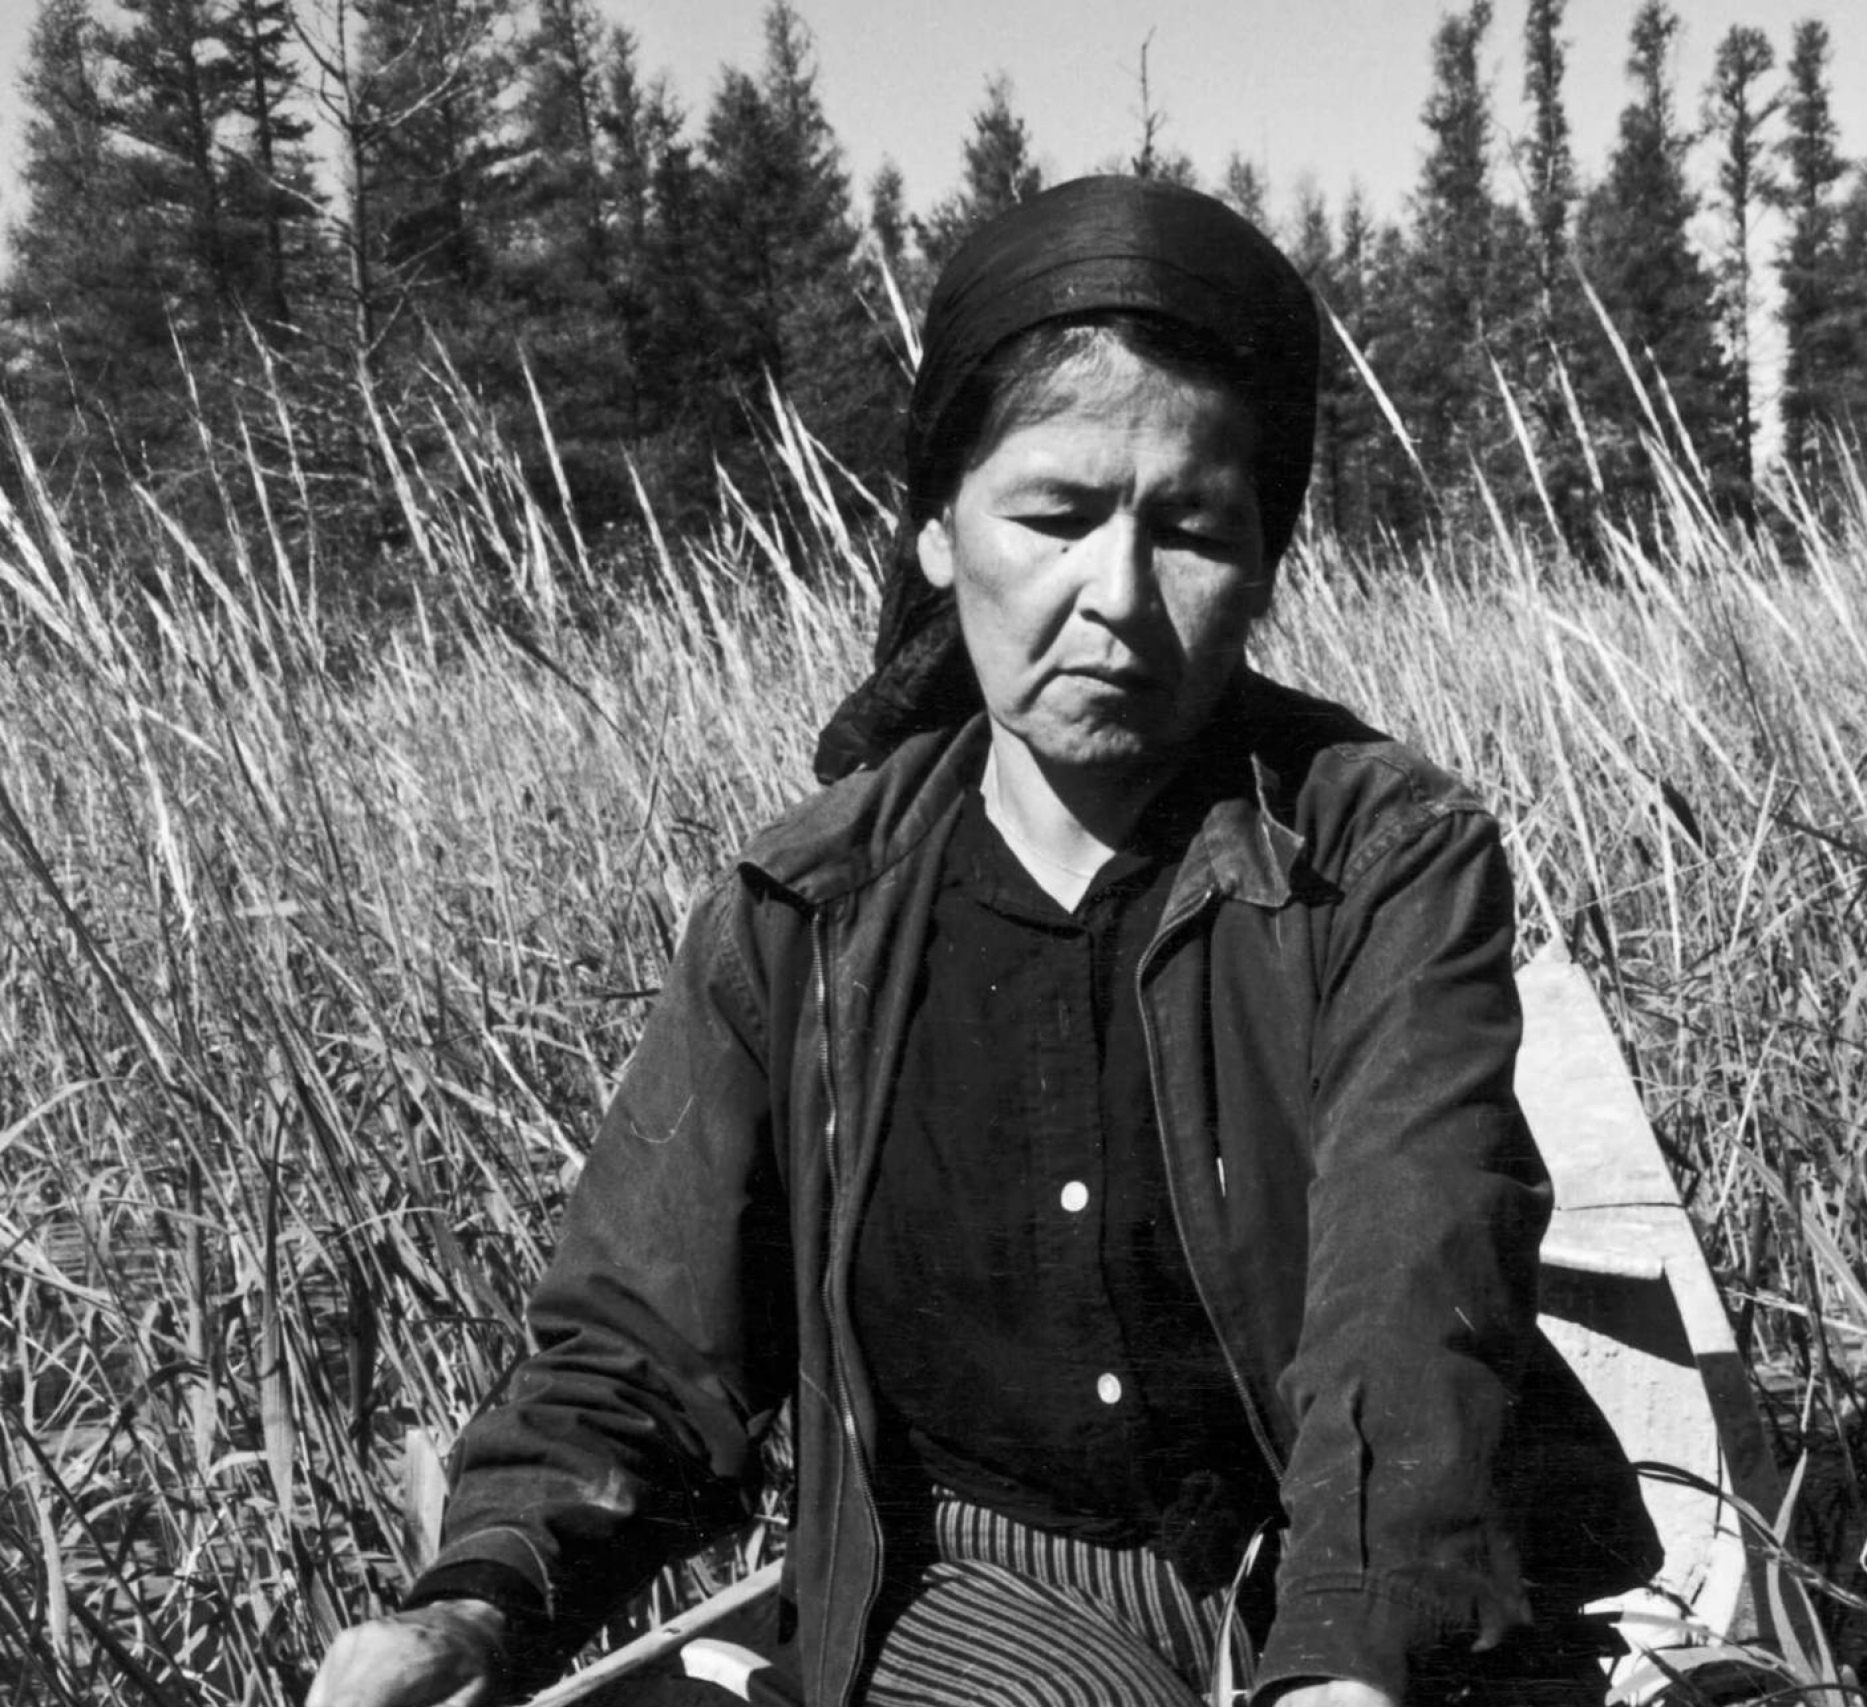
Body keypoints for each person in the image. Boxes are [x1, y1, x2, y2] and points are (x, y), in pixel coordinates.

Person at [308, 175, 1654, 1707]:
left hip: (1339, 1581)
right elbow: (644, 1349)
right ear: (944, 531)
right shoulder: (803, 910)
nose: (1118, 598)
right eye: (1057, 515)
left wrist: (1348, 1651)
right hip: (978, 1592)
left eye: (1192, 529)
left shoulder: (1376, 859)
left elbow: (1414, 1293)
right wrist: (480, 1606)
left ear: (1268, 556)